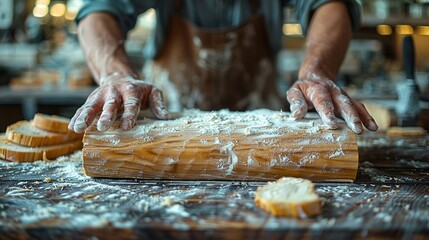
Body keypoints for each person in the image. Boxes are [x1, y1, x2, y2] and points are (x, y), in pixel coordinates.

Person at [68, 0, 379, 135]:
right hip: (170, 123)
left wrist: (317, 71)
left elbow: (330, 4)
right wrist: (114, 72)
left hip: (265, 129)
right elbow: (99, 11)